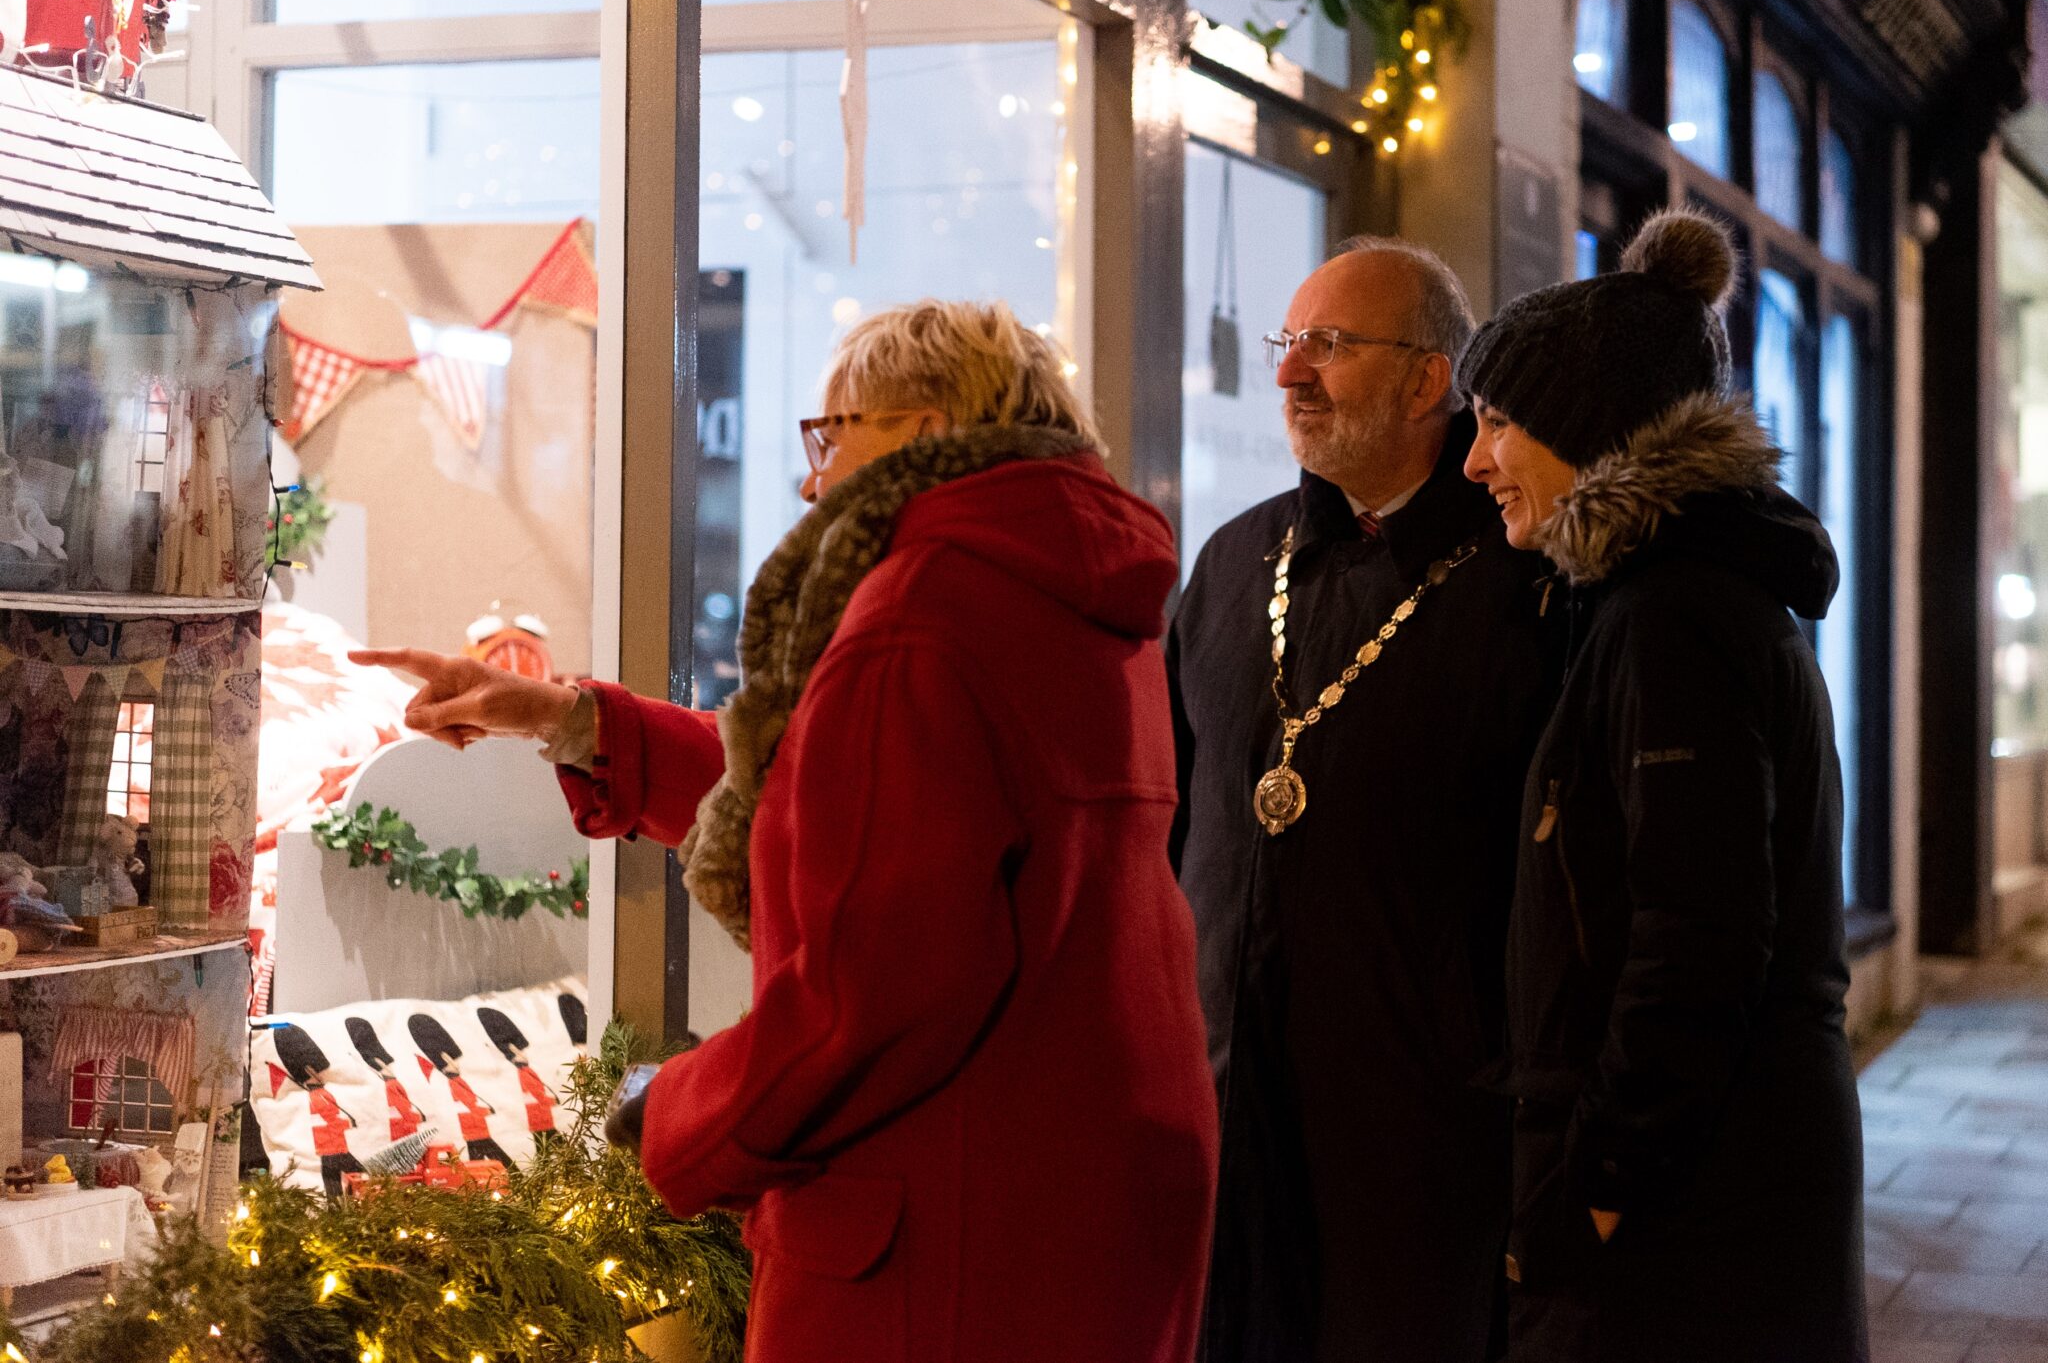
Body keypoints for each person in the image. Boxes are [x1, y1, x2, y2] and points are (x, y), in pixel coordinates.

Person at [354, 300, 1219, 1363]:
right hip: (1086, 1194)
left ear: (923, 428)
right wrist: (563, 718)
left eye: (831, 434)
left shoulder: (921, 614)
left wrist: (676, 1114)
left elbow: (873, 990)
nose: (812, 479)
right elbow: (845, 799)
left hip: (942, 1232)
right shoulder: (1060, 591)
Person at [1457, 208, 1866, 1362]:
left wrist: (1599, 1185)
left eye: (1497, 423)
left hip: (1686, 1206)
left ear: (1584, 427)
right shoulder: (1670, 597)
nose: (1477, 459)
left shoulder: (1669, 618)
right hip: (1710, 1175)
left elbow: (1696, 936)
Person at [1169, 239, 1556, 1363]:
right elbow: (1168, 821)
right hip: (1225, 1110)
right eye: (1289, 345)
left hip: (1422, 1137)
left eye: (1328, 347)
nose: (1290, 374)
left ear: (1428, 380)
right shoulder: (1234, 564)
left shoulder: (1525, 580)